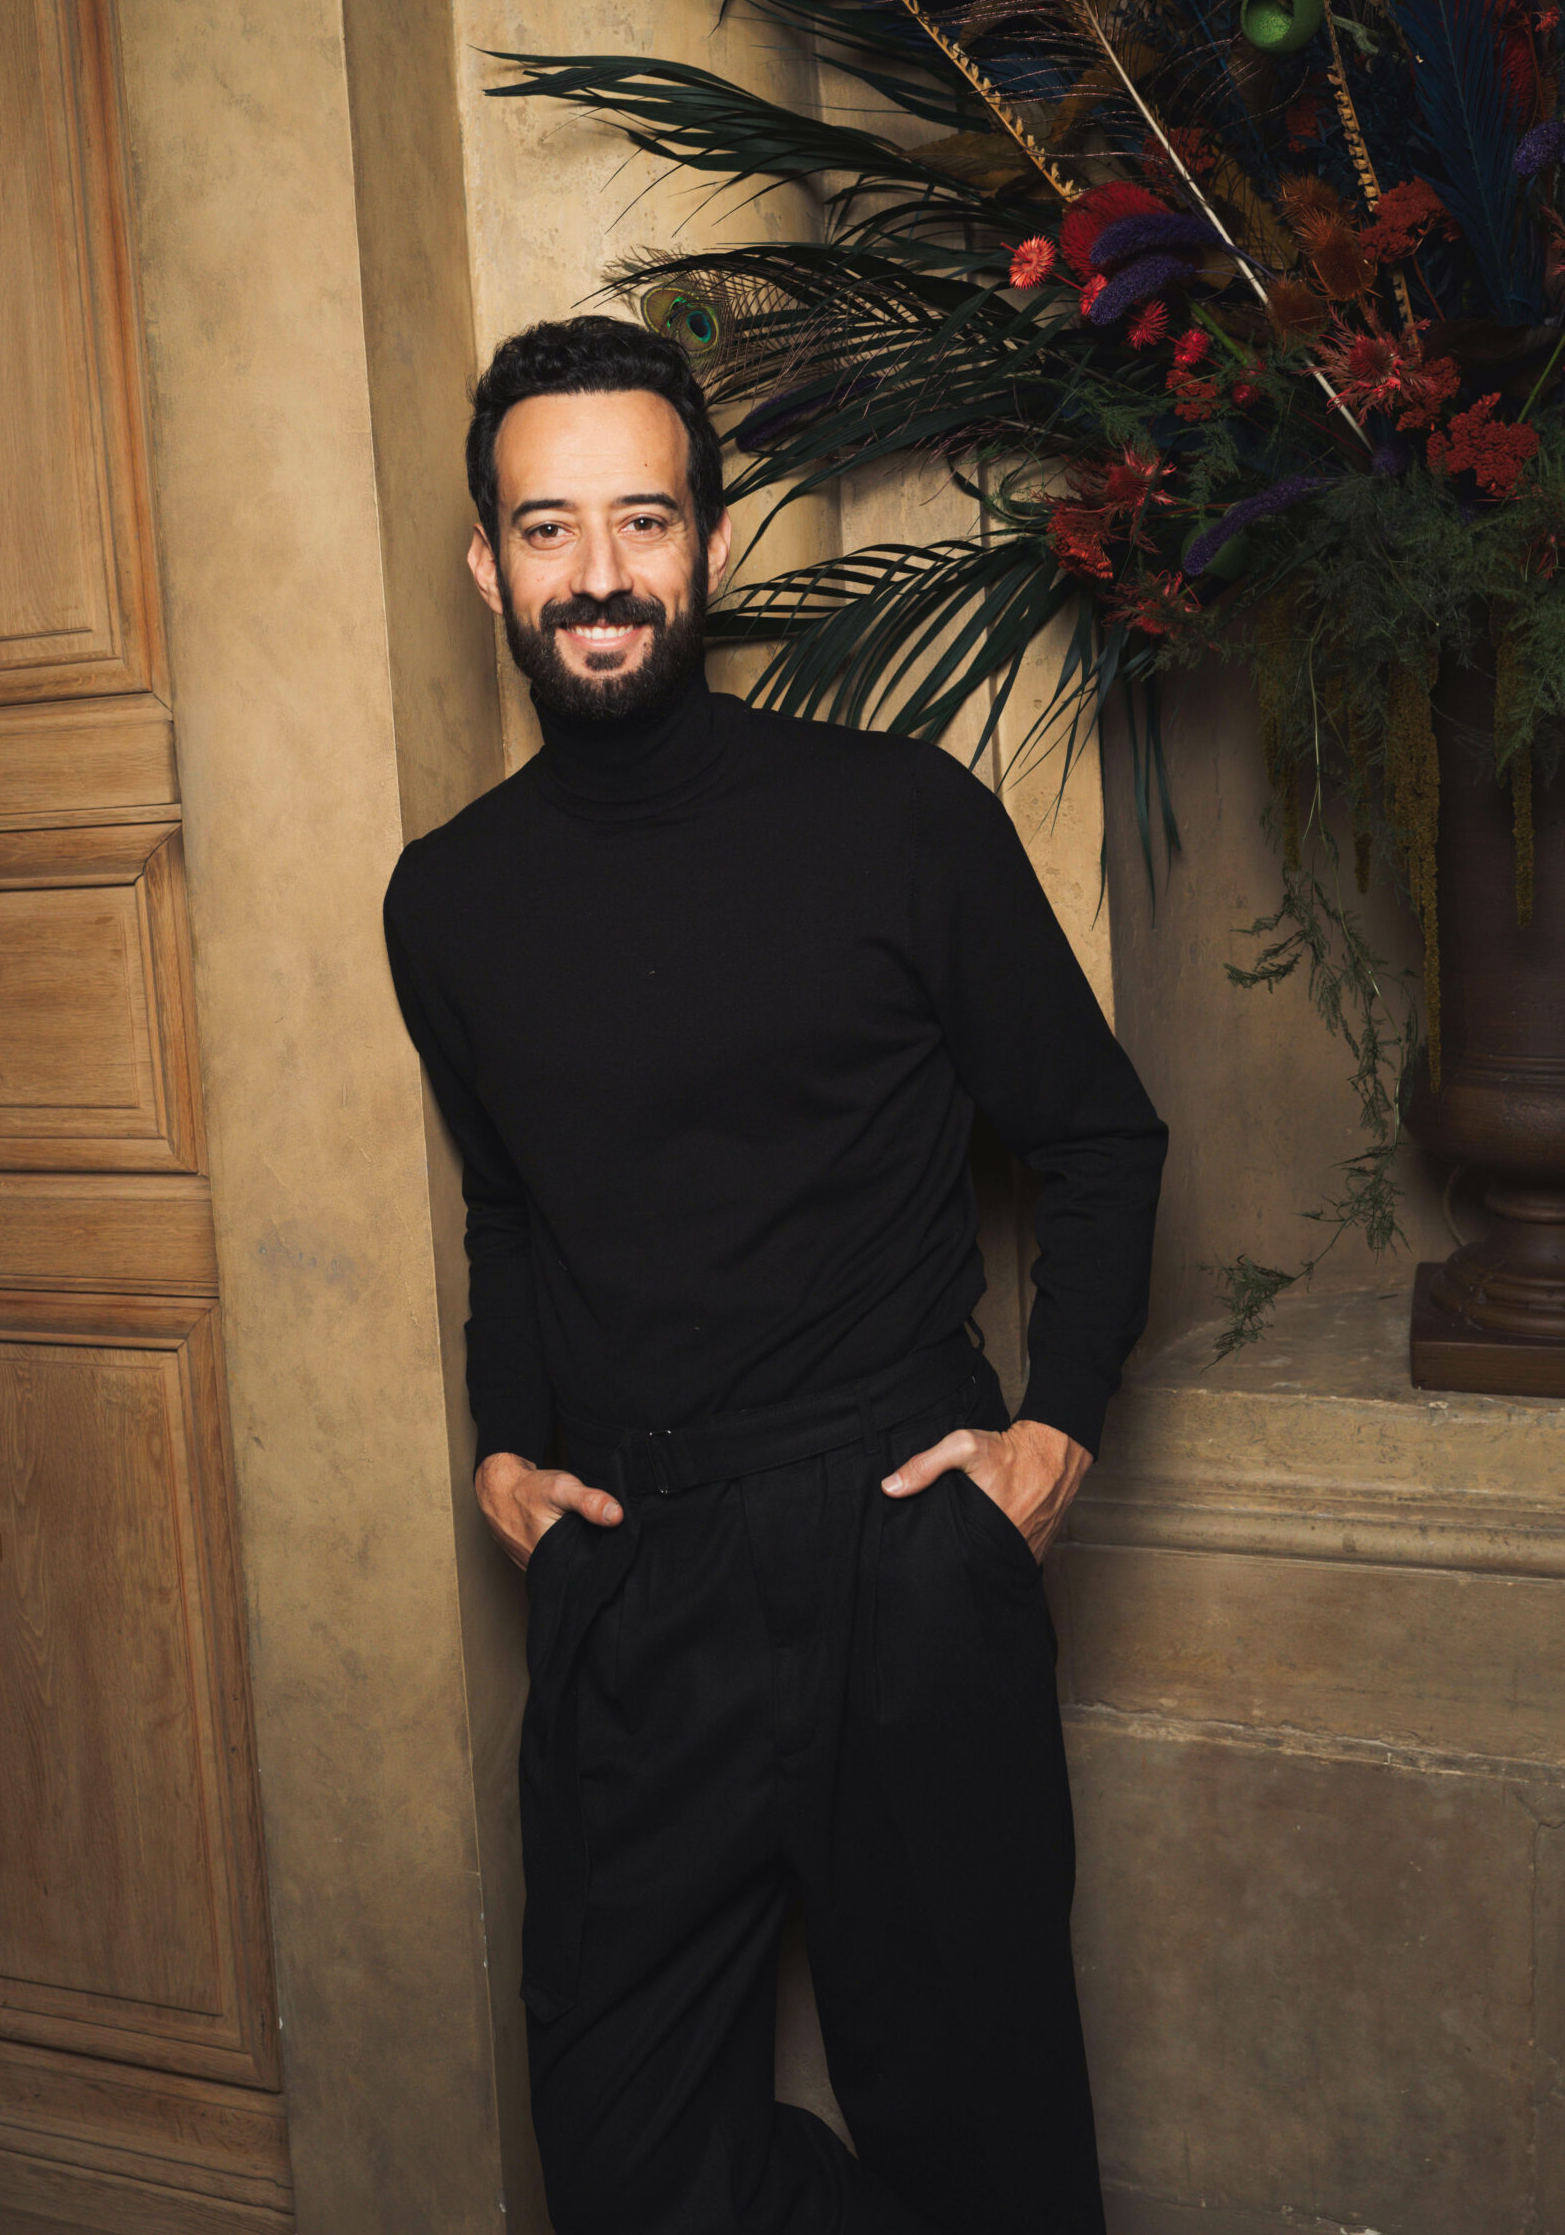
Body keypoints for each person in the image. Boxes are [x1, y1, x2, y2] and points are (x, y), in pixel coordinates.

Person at [383, 316, 1167, 2235]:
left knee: (986, 2146)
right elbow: (514, 1207)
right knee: (626, 2161)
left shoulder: (897, 822)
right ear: (489, 565)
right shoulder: (447, 899)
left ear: (709, 546)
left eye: (641, 521)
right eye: (548, 528)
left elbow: (1098, 1137)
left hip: (902, 1540)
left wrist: (1054, 1429)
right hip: (631, 1573)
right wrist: (506, 1448)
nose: (598, 574)